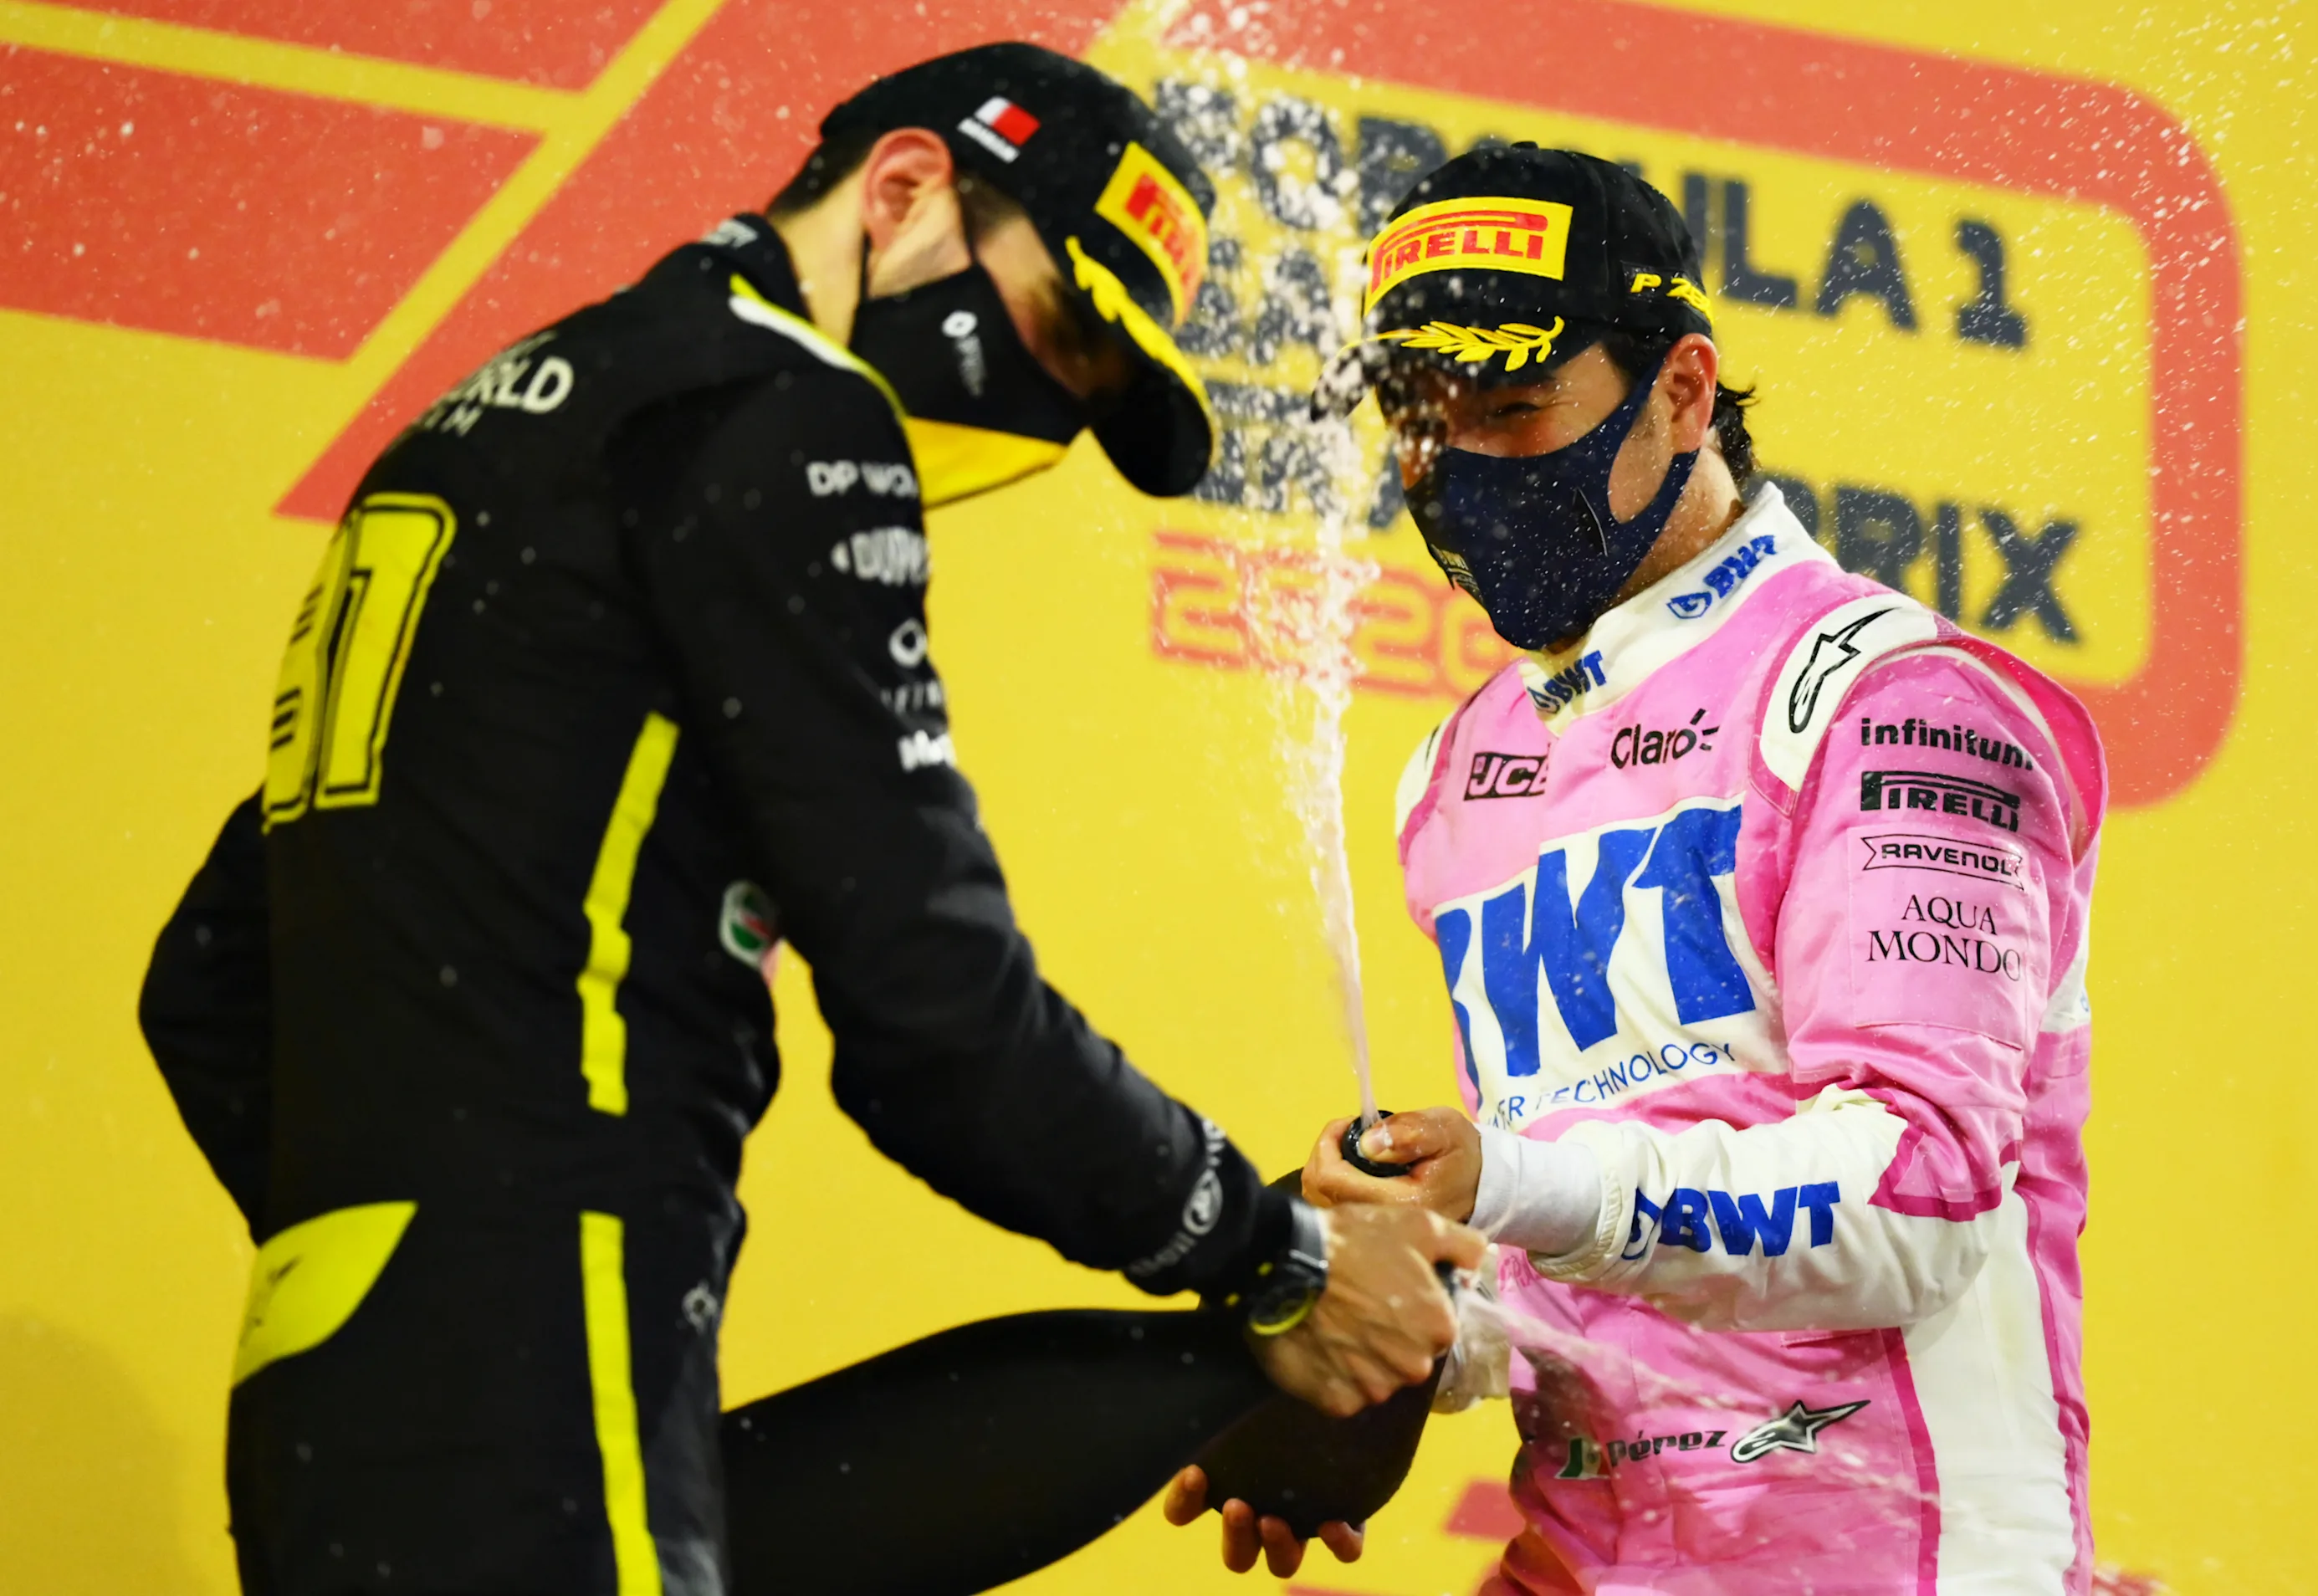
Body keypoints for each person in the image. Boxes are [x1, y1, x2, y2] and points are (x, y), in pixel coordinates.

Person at [137, 42, 1478, 1596]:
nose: (1042, 408)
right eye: (1054, 331)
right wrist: (1272, 1261)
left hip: (336, 1390)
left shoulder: (505, 424)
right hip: (526, 1366)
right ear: (905, 190)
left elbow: (211, 979)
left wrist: (428, 1270)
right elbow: (938, 1021)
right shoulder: (786, 413)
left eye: (1086, 398)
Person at [1170, 146, 2107, 1591]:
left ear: (1681, 388)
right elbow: (1582, 1248)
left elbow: (1918, 1195)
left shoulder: (1892, 698)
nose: (1459, 469)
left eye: (1511, 406)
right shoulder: (1460, 769)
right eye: (1420, 423)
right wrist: (1395, 1331)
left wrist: (1508, 1184)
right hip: (1590, 1554)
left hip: (1895, 1558)